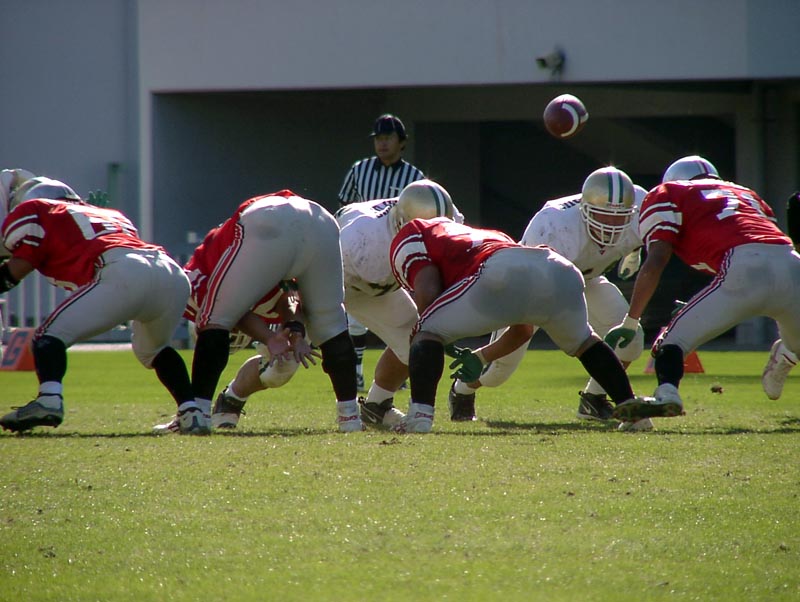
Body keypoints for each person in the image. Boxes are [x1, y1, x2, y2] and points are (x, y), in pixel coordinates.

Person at [388, 215, 659, 433]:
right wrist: (481, 357)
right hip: (562, 270)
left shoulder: (415, 232)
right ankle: (632, 411)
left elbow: (427, 291)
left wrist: (439, 338)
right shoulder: (489, 235)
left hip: (499, 268)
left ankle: (420, 415)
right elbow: (523, 329)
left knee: (425, 331)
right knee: (585, 343)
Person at [447, 167, 652, 429]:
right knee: (498, 371)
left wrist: (634, 252)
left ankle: (594, 398)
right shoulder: (554, 226)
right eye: (604, 216)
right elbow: (544, 296)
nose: (611, 225)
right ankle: (462, 388)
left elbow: (654, 239)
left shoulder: (641, 206)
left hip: (587, 278)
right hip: (533, 287)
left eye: (619, 217)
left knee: (631, 341)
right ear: (585, 209)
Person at [605, 155, 800, 419]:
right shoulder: (747, 194)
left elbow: (658, 258)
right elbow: (754, 240)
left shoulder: (669, 192)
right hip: (792, 263)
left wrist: (631, 320)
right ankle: (787, 351)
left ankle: (667, 393)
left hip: (744, 269)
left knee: (672, 341)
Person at [154, 189, 363, 434]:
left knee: (216, 319)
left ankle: (198, 414)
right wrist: (295, 331)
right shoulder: (253, 275)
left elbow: (228, 314)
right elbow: (287, 295)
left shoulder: (196, 279)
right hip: (320, 220)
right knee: (331, 323)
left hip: (268, 217)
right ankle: (350, 417)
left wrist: (269, 337)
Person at [0, 178, 200, 433]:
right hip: (171, 273)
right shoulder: (109, 214)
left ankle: (49, 399)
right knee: (154, 349)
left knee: (48, 336)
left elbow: (21, 265)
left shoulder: (37, 209)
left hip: (124, 270)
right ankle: (191, 413)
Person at [336, 179, 460, 429]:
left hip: (378, 283)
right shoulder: (364, 243)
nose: (434, 237)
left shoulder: (444, 213)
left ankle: (376, 406)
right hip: (341, 279)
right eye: (425, 232)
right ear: (402, 223)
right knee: (283, 361)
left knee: (415, 342)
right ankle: (242, 392)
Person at [338, 114, 426, 391]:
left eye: (388, 137)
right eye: (378, 138)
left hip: (399, 252)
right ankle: (357, 370)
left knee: (401, 316)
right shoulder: (359, 170)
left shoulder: (415, 178)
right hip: (362, 249)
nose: (382, 143)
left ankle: (397, 369)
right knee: (355, 317)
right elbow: (344, 207)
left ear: (402, 142)